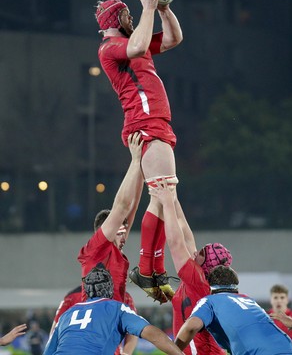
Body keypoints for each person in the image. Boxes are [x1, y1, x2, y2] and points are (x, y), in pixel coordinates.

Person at [95, 0, 183, 303]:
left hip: (155, 123)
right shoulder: (110, 48)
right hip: (143, 124)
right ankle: (148, 268)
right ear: (116, 20)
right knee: (163, 193)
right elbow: (135, 47)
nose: (133, 17)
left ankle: (152, 268)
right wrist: (147, 8)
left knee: (163, 196)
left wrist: (163, 9)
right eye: (128, 14)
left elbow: (174, 38)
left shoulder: (139, 39)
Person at [77, 132, 143, 355]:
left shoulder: (114, 250)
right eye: (120, 231)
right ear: (103, 231)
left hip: (108, 334)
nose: (125, 235)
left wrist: (142, 168)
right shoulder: (96, 249)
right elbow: (122, 207)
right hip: (94, 333)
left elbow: (131, 208)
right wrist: (134, 160)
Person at [149, 180, 231, 354]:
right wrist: (173, 196)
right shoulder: (202, 275)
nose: (195, 253)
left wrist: (167, 204)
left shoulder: (198, 281)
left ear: (208, 264)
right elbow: (185, 231)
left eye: (201, 253)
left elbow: (175, 242)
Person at [43, 265, 184, 355]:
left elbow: (48, 351)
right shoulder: (117, 308)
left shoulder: (67, 315)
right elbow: (152, 333)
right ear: (110, 288)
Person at [174, 265, 292, 355]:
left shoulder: (209, 301)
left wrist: (174, 351)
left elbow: (191, 326)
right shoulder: (249, 300)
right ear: (236, 289)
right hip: (288, 348)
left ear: (210, 289)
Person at [267, 284, 292, 351]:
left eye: (282, 297)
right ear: (270, 300)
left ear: (287, 300)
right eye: (275, 297)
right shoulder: (264, 316)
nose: (279, 301)